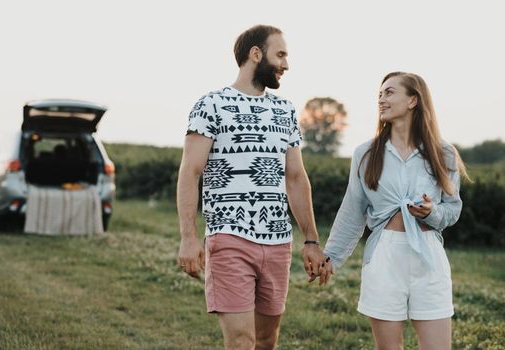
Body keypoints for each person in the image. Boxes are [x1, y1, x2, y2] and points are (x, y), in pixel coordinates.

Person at [177, 25, 328, 350]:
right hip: (229, 238)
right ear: (255, 54)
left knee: (265, 340)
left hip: (277, 243)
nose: (286, 65)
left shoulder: (284, 110)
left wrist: (311, 240)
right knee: (241, 340)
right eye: (281, 55)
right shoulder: (211, 105)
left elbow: (296, 178)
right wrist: (188, 237)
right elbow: (190, 171)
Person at [319, 72, 469, 349]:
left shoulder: (443, 153)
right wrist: (331, 258)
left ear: (413, 100)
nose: (381, 100)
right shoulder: (365, 153)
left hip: (429, 257)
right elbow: (352, 211)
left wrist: (431, 212)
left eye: (389, 93)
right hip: (385, 257)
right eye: (379, 94)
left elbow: (453, 210)